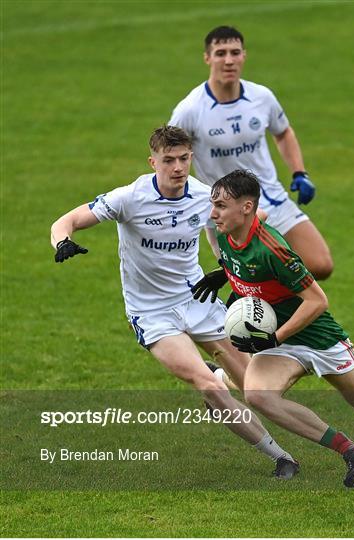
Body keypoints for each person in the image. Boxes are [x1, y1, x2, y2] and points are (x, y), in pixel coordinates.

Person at [50, 125, 300, 480]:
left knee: (257, 389)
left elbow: (252, 219)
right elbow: (68, 219)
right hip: (152, 314)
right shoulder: (128, 198)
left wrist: (229, 270)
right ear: (153, 162)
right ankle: (282, 457)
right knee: (210, 386)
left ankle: (334, 443)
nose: (178, 167)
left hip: (197, 298)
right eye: (169, 160)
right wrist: (62, 241)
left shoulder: (203, 196)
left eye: (184, 159)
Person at [192, 169, 354, 494]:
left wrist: (274, 337)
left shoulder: (274, 251)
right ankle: (352, 451)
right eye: (213, 204)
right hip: (279, 341)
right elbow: (250, 235)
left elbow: (317, 300)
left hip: (317, 337)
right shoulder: (227, 234)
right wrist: (223, 273)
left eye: (221, 205)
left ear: (245, 207)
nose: (213, 213)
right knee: (258, 395)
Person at [169, 25, 333, 281]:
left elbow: (283, 131)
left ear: (244, 55)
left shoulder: (261, 97)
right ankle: (262, 310)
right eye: (221, 53)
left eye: (235, 52)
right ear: (207, 58)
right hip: (231, 211)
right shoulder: (190, 110)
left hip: (272, 198)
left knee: (320, 265)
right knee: (262, 277)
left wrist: (300, 172)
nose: (229, 60)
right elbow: (172, 156)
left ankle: (264, 305)